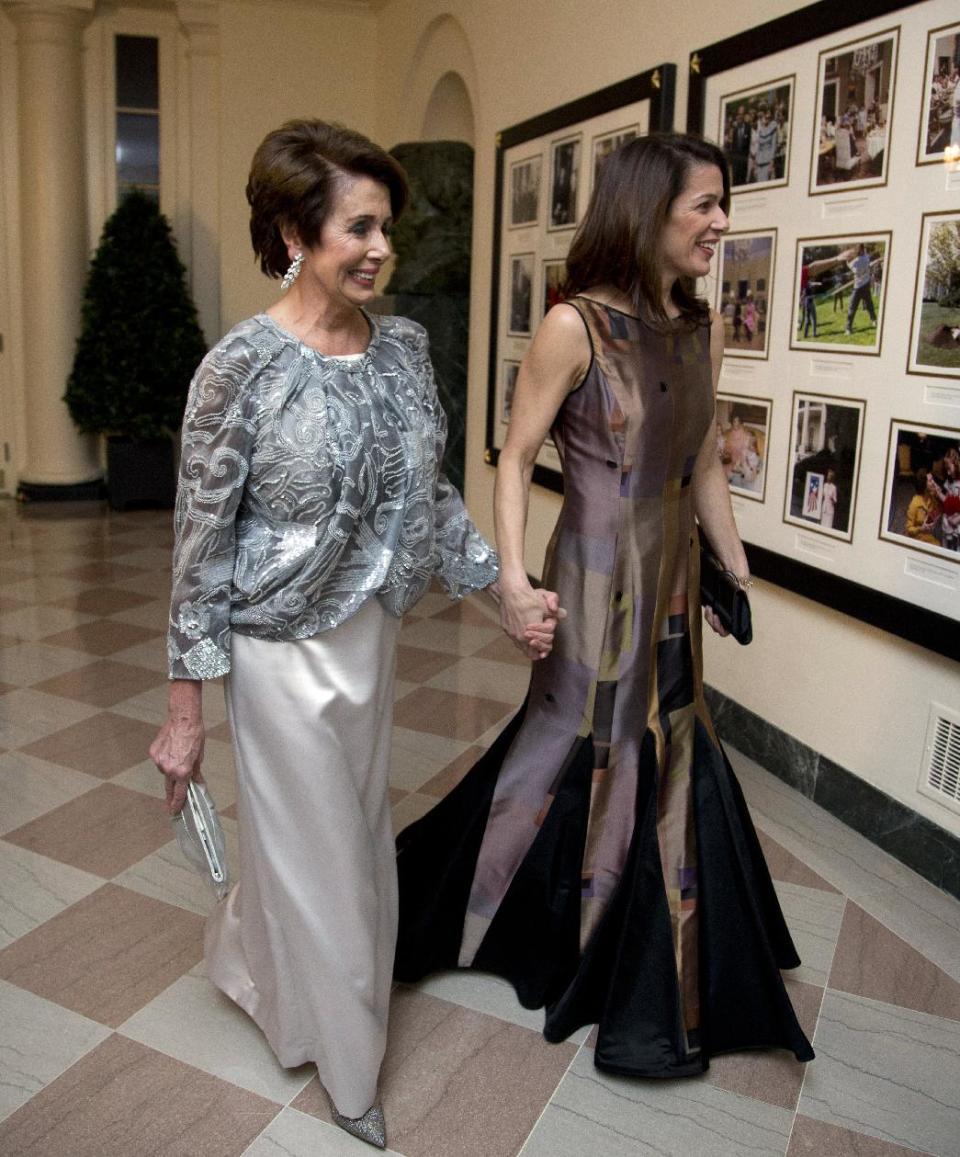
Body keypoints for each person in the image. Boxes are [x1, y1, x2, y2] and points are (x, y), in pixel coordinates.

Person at [148, 118, 558, 1151]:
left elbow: (429, 497)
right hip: (277, 650)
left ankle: (262, 966)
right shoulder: (238, 369)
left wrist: (503, 589)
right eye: (357, 226)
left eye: (387, 226)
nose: (380, 247)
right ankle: (349, 1065)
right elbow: (198, 549)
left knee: (350, 838)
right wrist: (184, 712)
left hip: (368, 643)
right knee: (327, 853)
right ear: (292, 228)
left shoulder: (406, 349)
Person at [393, 133, 814, 1078]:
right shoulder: (573, 326)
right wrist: (511, 581)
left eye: (722, 203)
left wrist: (733, 567)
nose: (721, 222)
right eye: (703, 204)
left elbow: (700, 458)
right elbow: (513, 453)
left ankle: (655, 937)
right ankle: (533, 924)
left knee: (666, 736)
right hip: (588, 574)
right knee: (581, 740)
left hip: (667, 573)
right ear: (646, 209)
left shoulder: (698, 328)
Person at [845, 243, 877, 335]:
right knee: (869, 304)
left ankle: (848, 328)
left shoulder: (855, 262)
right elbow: (864, 253)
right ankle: (874, 321)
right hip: (866, 284)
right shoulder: (867, 258)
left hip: (858, 287)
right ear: (863, 250)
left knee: (852, 308)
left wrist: (847, 261)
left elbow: (849, 265)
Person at [904, 469, 941, 545]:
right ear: (924, 484)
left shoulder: (932, 499)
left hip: (926, 536)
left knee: (938, 545)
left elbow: (939, 510)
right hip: (915, 538)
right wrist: (921, 529)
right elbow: (908, 529)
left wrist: (938, 494)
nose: (933, 483)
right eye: (930, 481)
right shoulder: (914, 503)